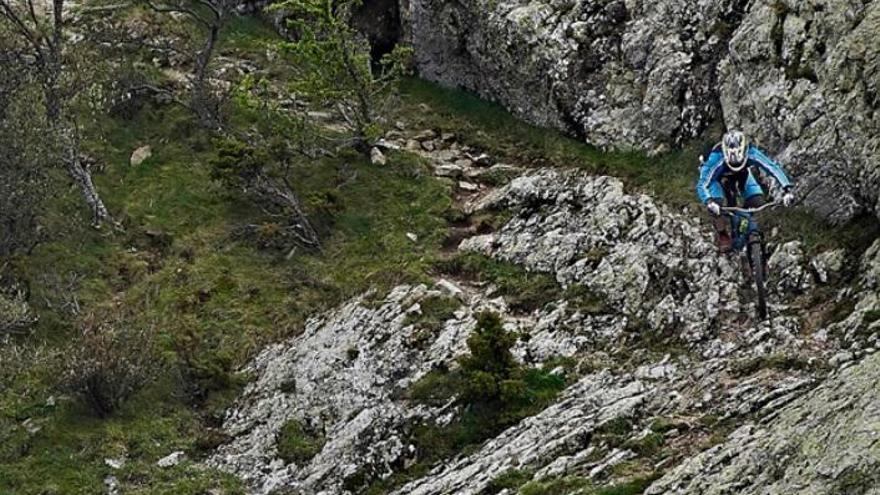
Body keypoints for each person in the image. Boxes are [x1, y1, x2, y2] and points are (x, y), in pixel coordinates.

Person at [696, 130, 795, 253]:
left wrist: (787, 189)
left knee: (757, 200)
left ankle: (753, 236)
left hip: (743, 175)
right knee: (717, 202)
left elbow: (771, 167)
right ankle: (722, 234)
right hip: (716, 178)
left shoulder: (752, 152)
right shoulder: (716, 158)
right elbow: (702, 184)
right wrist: (709, 201)